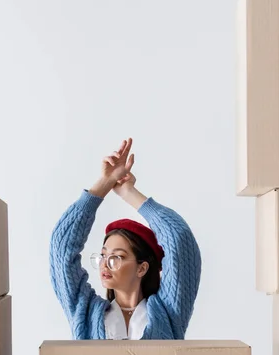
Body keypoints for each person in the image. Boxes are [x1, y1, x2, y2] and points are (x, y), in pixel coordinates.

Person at [49, 138, 201, 340]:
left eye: (116, 257)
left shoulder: (168, 311)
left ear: (142, 268)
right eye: (103, 256)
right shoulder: (85, 312)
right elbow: (61, 248)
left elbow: (179, 240)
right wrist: (104, 184)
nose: (105, 264)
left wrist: (129, 193)